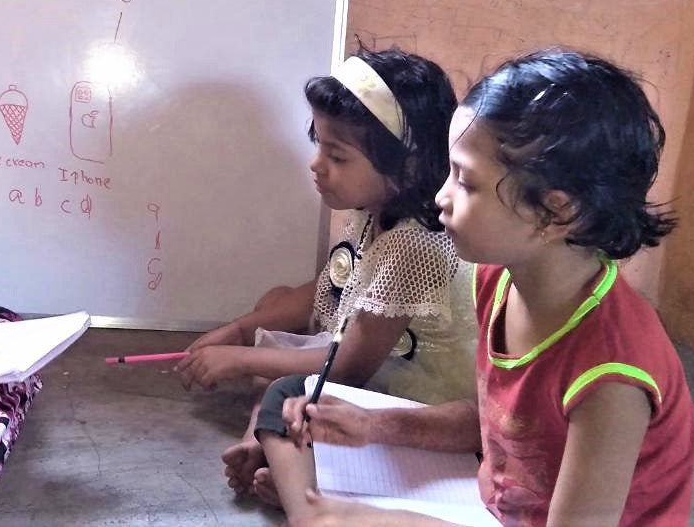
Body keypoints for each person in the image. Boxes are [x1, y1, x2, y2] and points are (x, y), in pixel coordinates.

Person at [272, 50, 694, 526]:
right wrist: (372, 425)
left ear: (554, 213)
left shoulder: (611, 373)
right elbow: (492, 426)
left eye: (465, 181)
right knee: (289, 406)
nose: (440, 196)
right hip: (496, 508)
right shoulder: (496, 280)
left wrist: (389, 520)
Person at [182, 49, 476, 504]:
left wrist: (239, 358)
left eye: (336, 155)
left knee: (290, 386)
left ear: (407, 164)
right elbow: (328, 287)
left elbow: (349, 368)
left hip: (407, 394)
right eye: (318, 144)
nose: (317, 165)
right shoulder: (372, 210)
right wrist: (241, 329)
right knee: (275, 306)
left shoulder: (415, 244)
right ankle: (260, 441)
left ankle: (301, 476)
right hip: (363, 358)